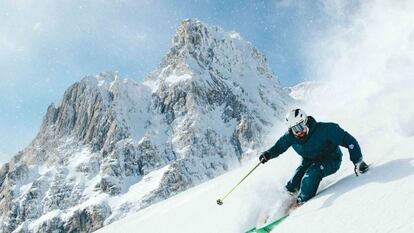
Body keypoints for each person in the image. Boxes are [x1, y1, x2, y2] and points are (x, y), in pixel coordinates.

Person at [259, 109, 369, 207]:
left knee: (311, 175)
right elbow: (279, 147)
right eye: (295, 129)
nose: (299, 132)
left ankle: (301, 204)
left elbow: (349, 141)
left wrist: (358, 161)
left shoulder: (325, 130)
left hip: (331, 159)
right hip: (308, 161)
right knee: (294, 182)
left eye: (301, 127)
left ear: (306, 122)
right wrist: (268, 154)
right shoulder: (290, 137)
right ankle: (282, 206)